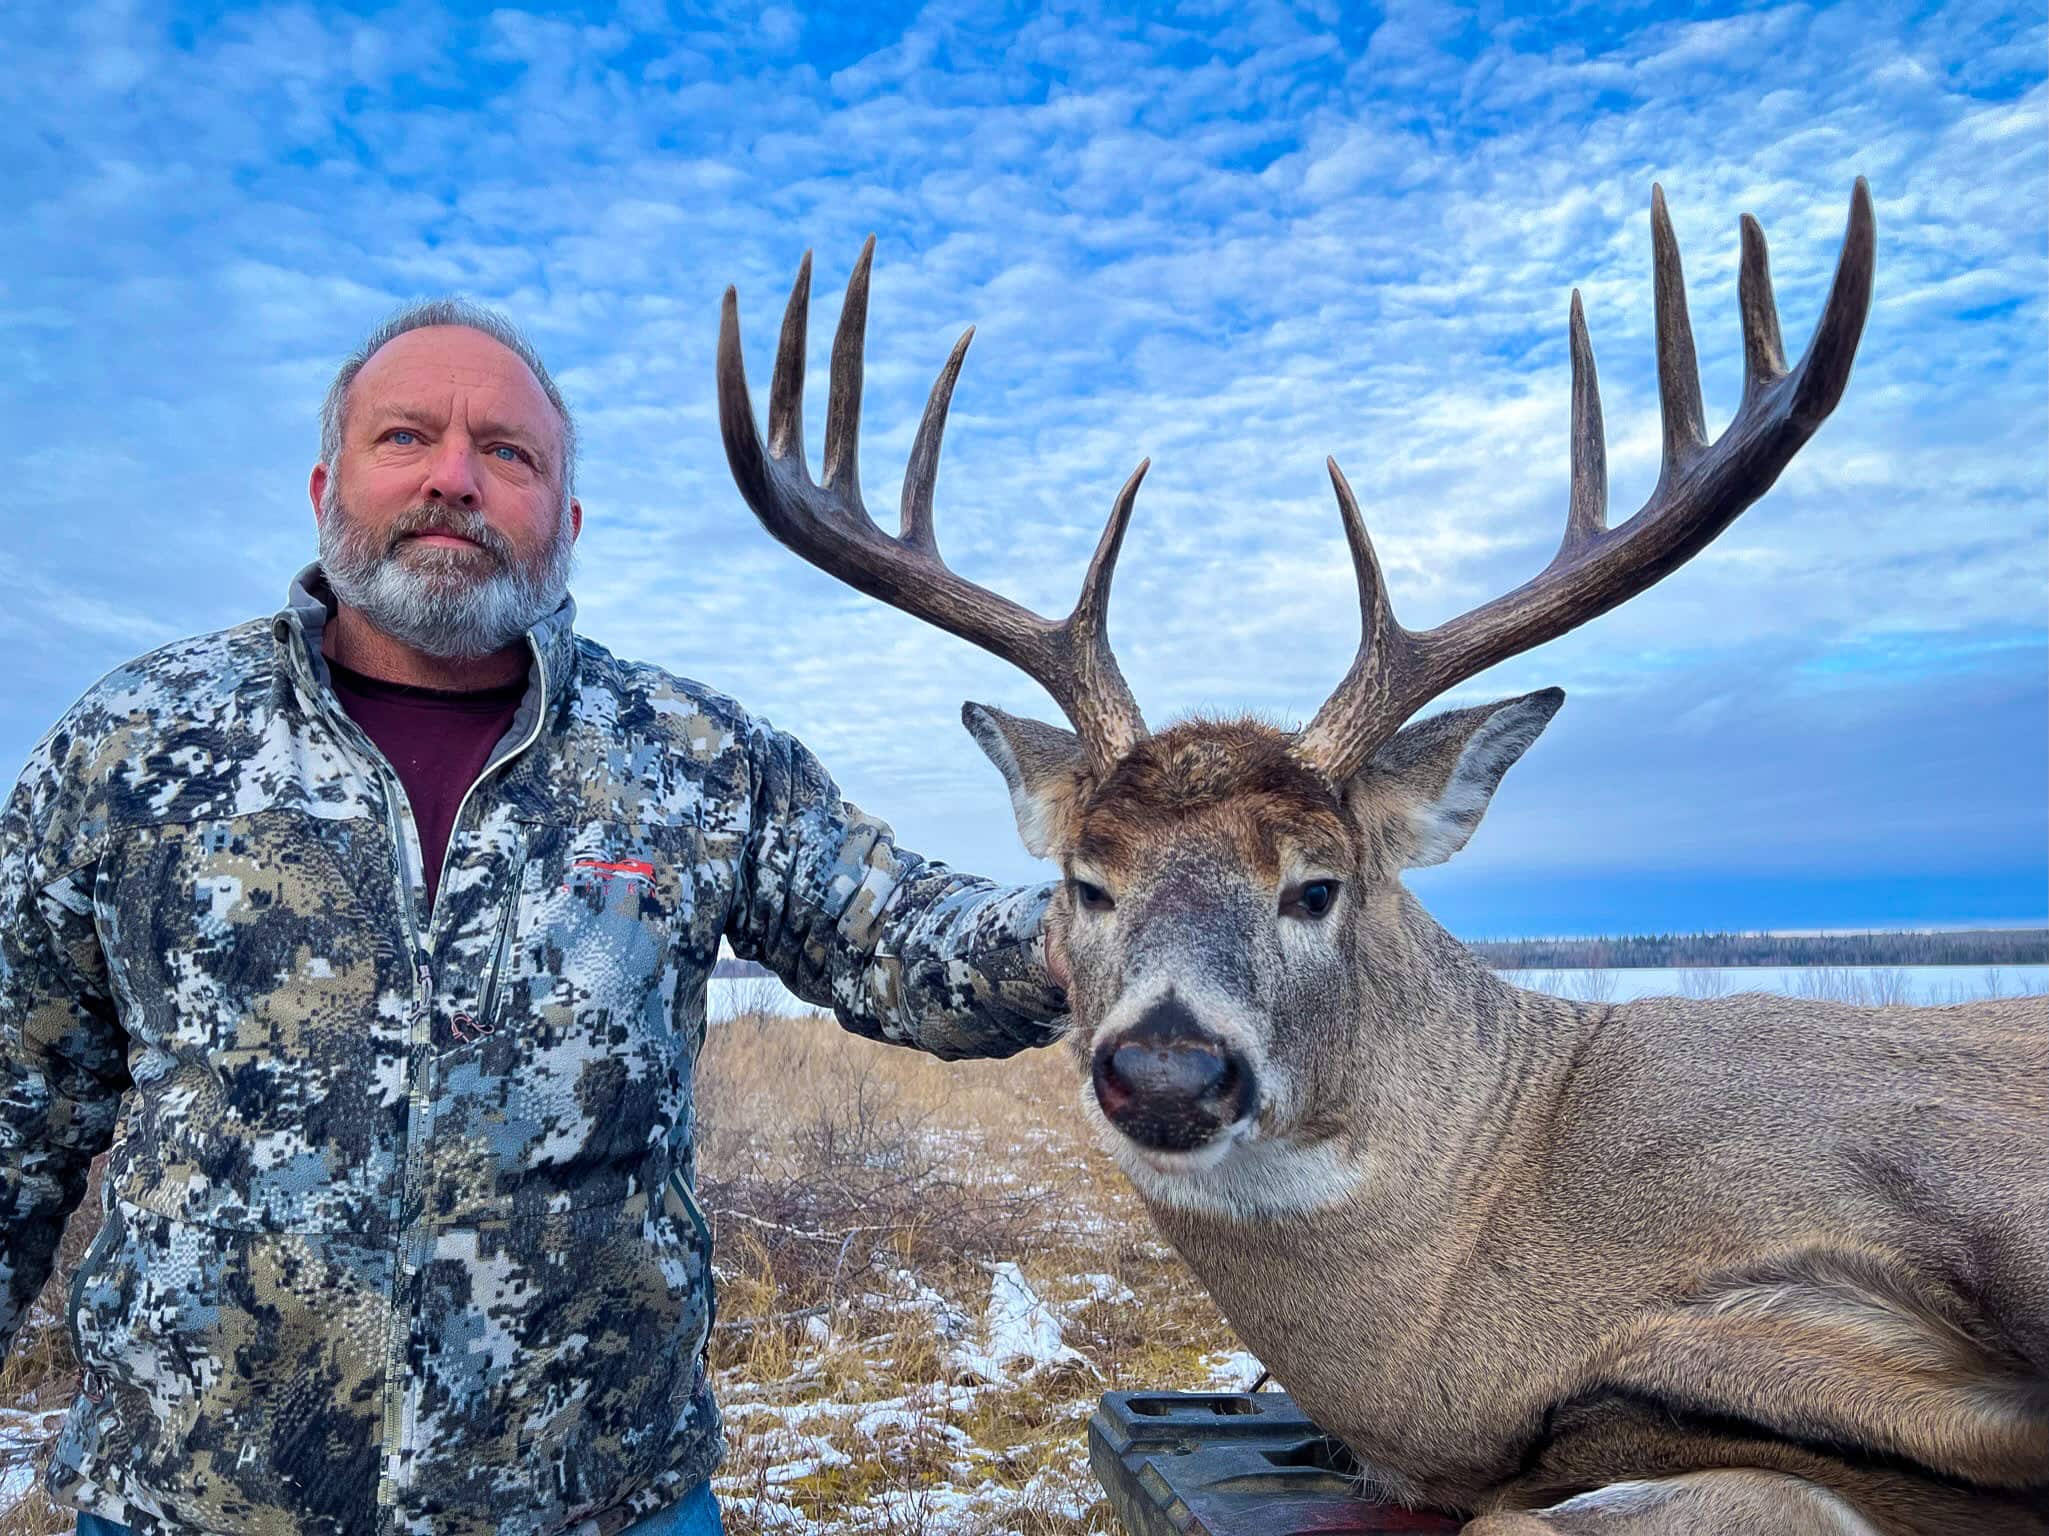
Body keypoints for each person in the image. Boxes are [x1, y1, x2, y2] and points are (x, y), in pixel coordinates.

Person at [0, 300, 1069, 1536]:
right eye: (406, 437)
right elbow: (18, 1104)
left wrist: (1114, 921)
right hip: (192, 1504)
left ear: (566, 521)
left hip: (596, 1501)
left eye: (508, 453)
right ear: (323, 485)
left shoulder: (693, 758)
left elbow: (896, 936)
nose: (454, 478)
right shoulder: (136, 747)